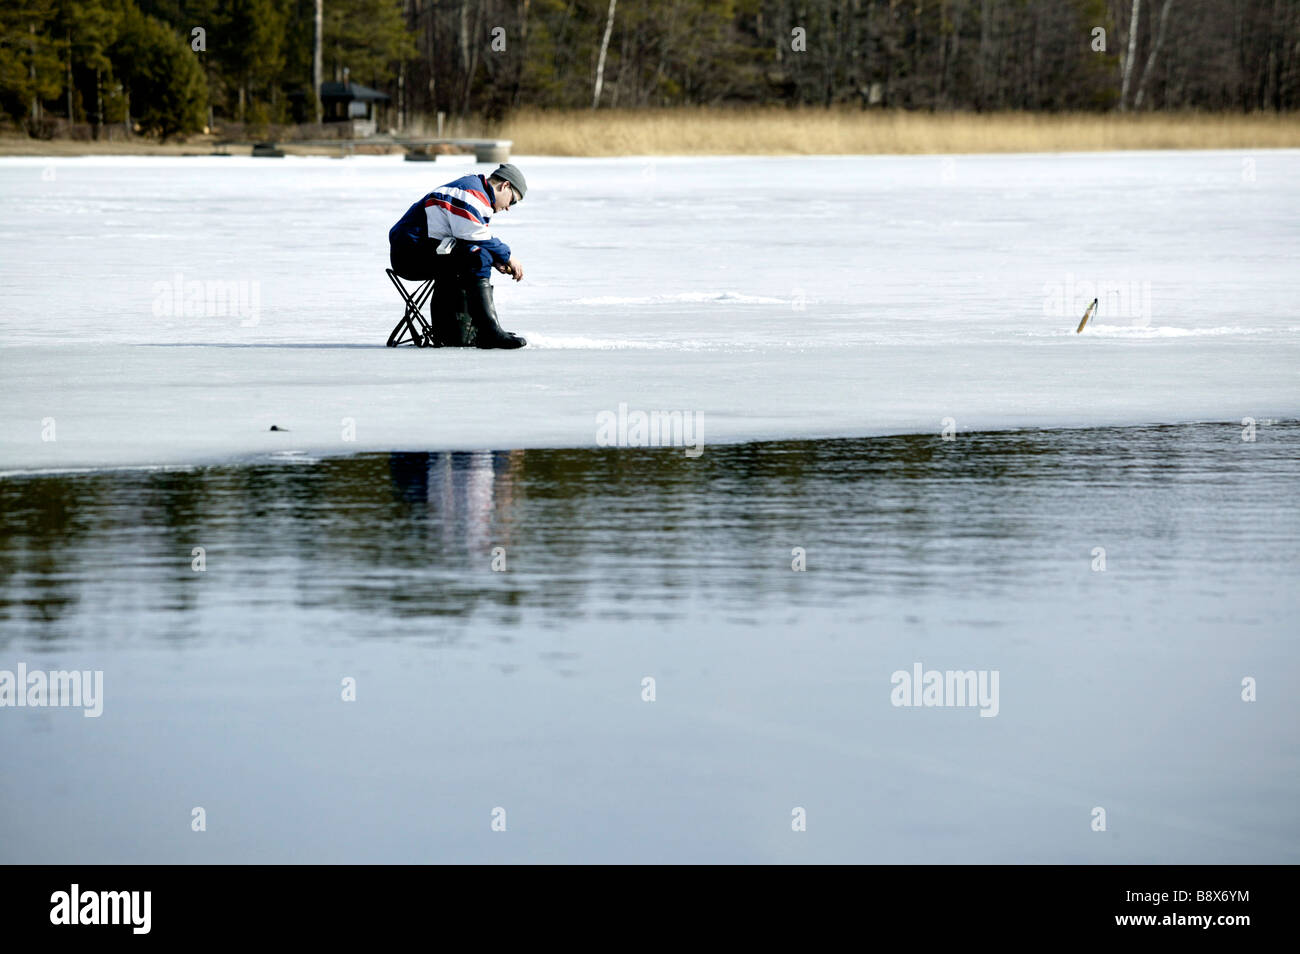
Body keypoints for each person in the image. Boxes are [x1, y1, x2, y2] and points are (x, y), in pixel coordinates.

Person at [389, 163, 528, 349]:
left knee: (479, 255)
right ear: (505, 186)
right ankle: (489, 332)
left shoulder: (475, 191)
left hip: (427, 250)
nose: (509, 207)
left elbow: (469, 236)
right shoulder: (471, 194)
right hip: (410, 256)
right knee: (478, 256)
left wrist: (495, 259)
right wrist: (507, 257)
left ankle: (479, 331)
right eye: (513, 201)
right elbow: (476, 236)